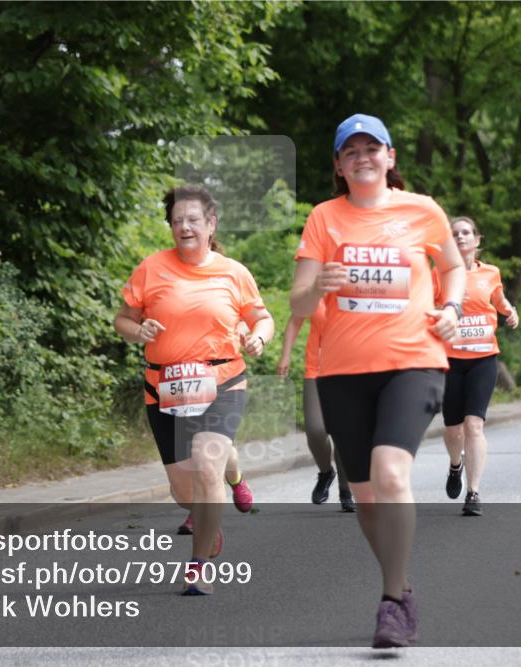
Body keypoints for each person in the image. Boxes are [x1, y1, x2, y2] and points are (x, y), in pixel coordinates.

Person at [290, 114, 465, 648]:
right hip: (343, 371)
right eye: (351, 151)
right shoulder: (324, 218)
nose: (363, 157)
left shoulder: (422, 210)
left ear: (390, 157)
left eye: (373, 148)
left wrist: (453, 305)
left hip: (413, 360)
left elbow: (452, 266)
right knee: (366, 497)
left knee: (391, 475)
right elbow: (297, 303)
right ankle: (401, 581)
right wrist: (318, 283)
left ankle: (393, 602)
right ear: (340, 167)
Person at [113, 184, 274, 595]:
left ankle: (199, 566)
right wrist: (138, 329)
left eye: (193, 220)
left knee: (206, 463)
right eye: (177, 220)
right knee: (186, 493)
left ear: (211, 224)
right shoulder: (151, 268)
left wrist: (259, 337)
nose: (184, 226)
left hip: (223, 383)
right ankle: (225, 487)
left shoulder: (233, 272)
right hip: (164, 389)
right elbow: (122, 320)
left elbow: (262, 318)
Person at [434, 216, 518, 517]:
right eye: (454, 233)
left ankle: (474, 492)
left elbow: (499, 300)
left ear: (477, 240)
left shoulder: (491, 273)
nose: (460, 237)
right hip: (450, 362)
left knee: (474, 425)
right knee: (453, 429)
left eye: (466, 233)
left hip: (484, 359)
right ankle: (455, 465)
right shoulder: (439, 274)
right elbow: (425, 307)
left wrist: (510, 312)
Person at [277, 303, 355, 512]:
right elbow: (294, 321)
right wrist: (285, 355)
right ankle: (326, 472)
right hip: (317, 370)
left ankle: (346, 491)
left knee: (344, 432)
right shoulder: (316, 291)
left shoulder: (358, 288)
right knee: (314, 429)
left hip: (352, 370)